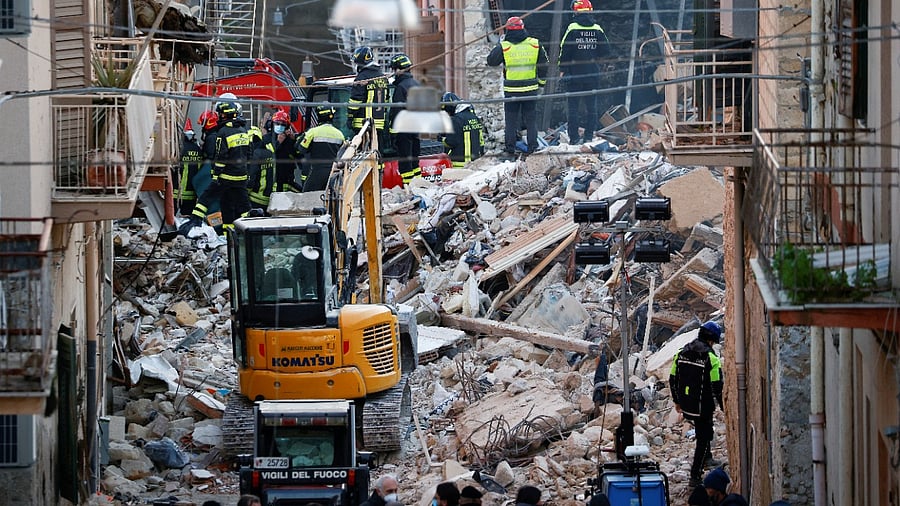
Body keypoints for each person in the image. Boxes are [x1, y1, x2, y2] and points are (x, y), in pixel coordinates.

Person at [669, 320, 725, 487]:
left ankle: (707, 457)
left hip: (686, 404)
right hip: (703, 406)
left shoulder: (681, 353)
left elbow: (672, 378)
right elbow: (717, 385)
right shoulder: (711, 358)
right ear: (712, 340)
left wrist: (677, 401)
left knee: (706, 430)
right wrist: (723, 406)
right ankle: (695, 475)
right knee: (703, 437)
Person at [486, 16, 550, 161]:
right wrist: (541, 84)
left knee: (511, 122)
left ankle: (510, 151)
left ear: (508, 30)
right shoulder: (534, 44)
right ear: (523, 28)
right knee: (531, 120)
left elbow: (491, 61)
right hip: (530, 89)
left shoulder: (505, 46)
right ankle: (533, 148)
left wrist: (500, 43)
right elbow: (544, 66)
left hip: (512, 90)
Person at [187, 100, 252, 233]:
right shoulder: (244, 131)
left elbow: (221, 157)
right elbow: (250, 155)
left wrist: (216, 175)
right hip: (241, 177)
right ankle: (238, 233)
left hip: (226, 177)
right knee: (237, 205)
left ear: (223, 115)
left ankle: (194, 221)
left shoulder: (223, 132)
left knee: (206, 197)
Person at [558, 0, 611, 145]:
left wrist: (563, 70)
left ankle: (574, 138)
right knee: (591, 108)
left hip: (574, 74)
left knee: (573, 108)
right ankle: (588, 136)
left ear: (575, 12)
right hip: (592, 74)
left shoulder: (572, 28)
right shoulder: (597, 29)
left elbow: (564, 51)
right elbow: (606, 50)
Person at [348, 46, 391, 156]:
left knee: (362, 155)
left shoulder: (362, 78)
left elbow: (355, 101)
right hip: (379, 124)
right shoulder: (383, 77)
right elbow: (387, 100)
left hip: (363, 124)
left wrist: (350, 117)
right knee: (377, 153)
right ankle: (380, 167)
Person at [294, 105, 346, 192]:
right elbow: (342, 154)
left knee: (307, 195)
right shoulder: (340, 135)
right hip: (333, 173)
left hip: (316, 171)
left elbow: (301, 149)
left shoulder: (312, 132)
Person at [388, 53, 422, 183]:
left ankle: (408, 186)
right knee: (414, 159)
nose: (393, 72)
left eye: (394, 69)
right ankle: (418, 185)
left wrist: (393, 133)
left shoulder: (401, 87)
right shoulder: (416, 84)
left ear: (398, 69)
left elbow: (396, 112)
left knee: (405, 161)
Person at [440, 92, 485, 167]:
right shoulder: (474, 117)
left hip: (459, 164)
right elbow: (481, 141)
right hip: (475, 163)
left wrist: (441, 139)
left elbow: (451, 142)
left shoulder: (455, 120)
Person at [266, 109, 302, 193]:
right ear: (272, 124)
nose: (280, 126)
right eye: (277, 123)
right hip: (272, 180)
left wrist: (294, 140)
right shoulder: (266, 138)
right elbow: (268, 154)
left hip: (287, 180)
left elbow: (299, 156)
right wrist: (278, 143)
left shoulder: (290, 140)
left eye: (283, 124)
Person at [174, 117, 203, 216]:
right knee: (187, 217)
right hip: (193, 192)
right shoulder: (198, 149)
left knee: (174, 219)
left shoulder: (178, 149)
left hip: (177, 192)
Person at [246, 124, 276, 212]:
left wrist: (244, 193)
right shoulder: (270, 153)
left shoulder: (255, 155)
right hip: (269, 199)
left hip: (255, 198)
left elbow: (251, 178)